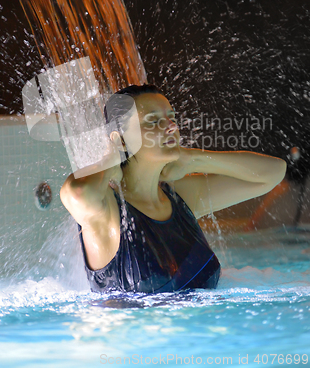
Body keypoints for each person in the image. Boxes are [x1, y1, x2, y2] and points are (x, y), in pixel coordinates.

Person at [60, 84, 286, 293]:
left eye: (171, 118)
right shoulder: (106, 210)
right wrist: (109, 162)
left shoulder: (180, 197)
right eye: (153, 121)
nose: (171, 127)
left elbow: (273, 173)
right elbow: (76, 192)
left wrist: (194, 158)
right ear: (121, 141)